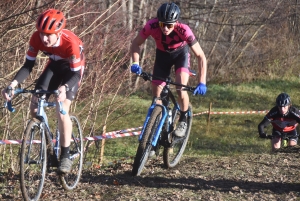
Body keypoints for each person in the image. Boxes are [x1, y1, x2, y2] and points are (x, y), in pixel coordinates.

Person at [2, 9, 85, 173]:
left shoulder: (71, 43)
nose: (44, 38)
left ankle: (65, 156)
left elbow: (76, 73)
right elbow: (28, 66)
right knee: (34, 107)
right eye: (41, 34)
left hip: (72, 71)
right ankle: (48, 145)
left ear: (59, 32)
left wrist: (64, 87)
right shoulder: (36, 38)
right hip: (54, 66)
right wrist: (12, 85)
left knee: (61, 109)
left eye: (48, 35)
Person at [130, 2, 207, 137]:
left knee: (180, 88)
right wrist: (136, 62)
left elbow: (201, 56)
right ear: (158, 22)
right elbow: (136, 43)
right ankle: (155, 129)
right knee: (157, 95)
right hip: (162, 56)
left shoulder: (184, 30)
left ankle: (183, 118)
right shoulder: (151, 25)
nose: (165, 28)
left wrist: (202, 82)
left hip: (180, 56)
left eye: (169, 25)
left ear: (176, 22)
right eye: (162, 24)